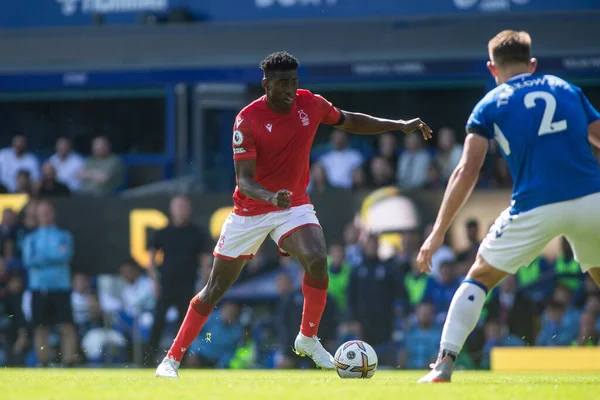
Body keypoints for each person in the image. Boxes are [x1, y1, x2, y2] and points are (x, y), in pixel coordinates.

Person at [155, 51, 432, 378]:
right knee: (214, 288)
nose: (289, 89)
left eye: (294, 82)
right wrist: (271, 196)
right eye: (282, 83)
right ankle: (171, 359)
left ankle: (308, 338)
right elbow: (244, 181)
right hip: (251, 210)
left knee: (317, 258)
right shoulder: (247, 119)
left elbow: (350, 120)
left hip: (294, 205)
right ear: (266, 84)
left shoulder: (310, 104)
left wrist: (397, 126)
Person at [417, 30, 600, 383]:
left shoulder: (490, 104)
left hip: (535, 204)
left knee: (481, 276)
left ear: (492, 68)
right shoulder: (566, 89)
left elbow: (466, 171)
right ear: (532, 64)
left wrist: (438, 232)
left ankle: (444, 364)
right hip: (592, 198)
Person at [146, 195, 212, 363]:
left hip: (188, 284)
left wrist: (203, 284)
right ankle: (148, 357)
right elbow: (151, 258)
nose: (181, 210)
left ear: (189, 210)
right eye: (178, 206)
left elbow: (205, 261)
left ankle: (179, 359)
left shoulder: (197, 233)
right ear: (171, 209)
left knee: (185, 323)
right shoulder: (163, 232)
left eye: (184, 206)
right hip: (166, 283)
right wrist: (154, 281)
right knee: (158, 320)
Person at [21, 200, 77, 367]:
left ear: (53, 214)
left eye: (48, 211)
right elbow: (28, 260)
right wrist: (54, 257)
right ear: (37, 215)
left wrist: (42, 259)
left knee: (67, 325)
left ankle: (69, 361)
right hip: (39, 288)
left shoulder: (64, 235)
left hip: (61, 287)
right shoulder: (31, 238)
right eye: (42, 212)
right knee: (41, 327)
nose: (45, 214)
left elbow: (65, 256)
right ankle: (43, 362)